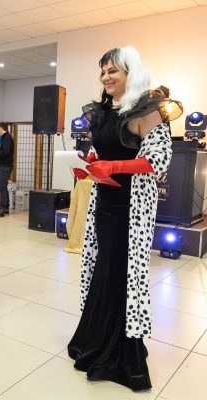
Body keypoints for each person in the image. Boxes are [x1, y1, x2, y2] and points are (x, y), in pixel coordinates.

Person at [68, 46, 182, 391]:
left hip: (130, 208)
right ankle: (97, 337)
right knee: (104, 268)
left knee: (121, 272)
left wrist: (114, 166)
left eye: (112, 71)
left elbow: (158, 160)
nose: (105, 77)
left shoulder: (147, 111)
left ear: (131, 73)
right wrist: (90, 164)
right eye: (103, 71)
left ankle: (118, 350)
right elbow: (102, 152)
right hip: (104, 203)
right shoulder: (103, 112)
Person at [0, 122, 14, 217]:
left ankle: (2, 208)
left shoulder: (7, 138)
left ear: (1, 129)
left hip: (5, 166)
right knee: (3, 187)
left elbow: (6, 152)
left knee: (1, 187)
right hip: (4, 165)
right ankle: (5, 208)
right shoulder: (5, 138)